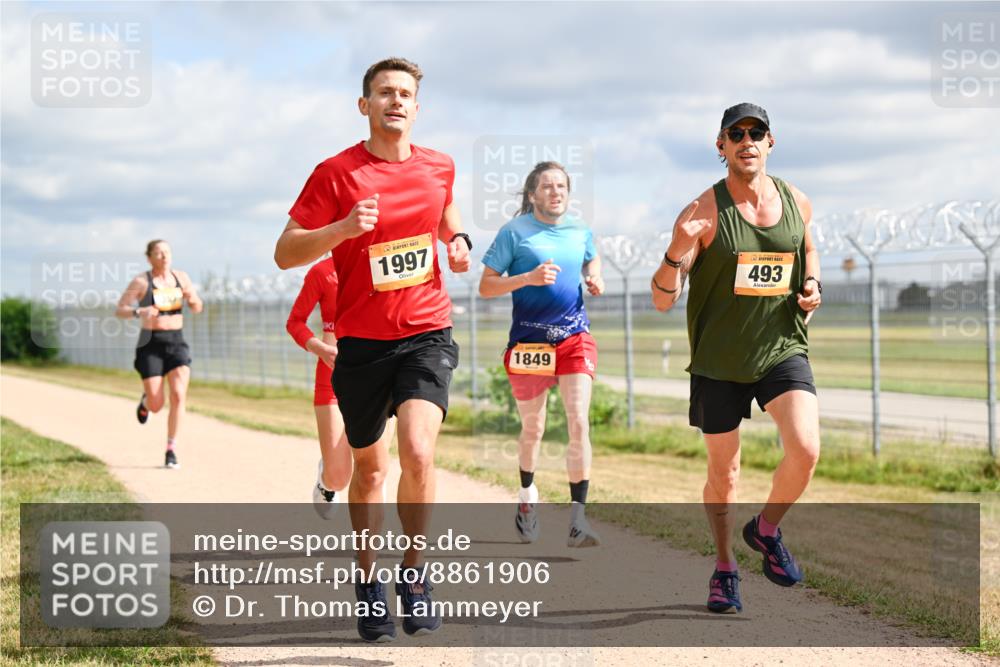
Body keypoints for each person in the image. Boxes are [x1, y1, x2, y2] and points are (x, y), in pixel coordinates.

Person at [274, 57, 470, 642]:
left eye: (405, 93)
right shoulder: (336, 173)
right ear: (365, 106)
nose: (396, 101)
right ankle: (367, 580)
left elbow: (445, 211)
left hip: (427, 332)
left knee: (418, 452)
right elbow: (284, 252)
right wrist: (340, 230)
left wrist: (458, 239)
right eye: (385, 92)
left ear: (417, 107)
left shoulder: (439, 165)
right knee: (370, 471)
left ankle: (414, 575)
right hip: (361, 344)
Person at [650, 103, 821, 614]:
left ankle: (766, 529)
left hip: (781, 348)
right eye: (736, 133)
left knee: (806, 448)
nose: (747, 141)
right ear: (721, 146)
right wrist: (677, 248)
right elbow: (661, 299)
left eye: (756, 132)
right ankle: (725, 567)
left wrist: (812, 283)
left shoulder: (796, 200)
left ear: (770, 142)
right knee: (725, 474)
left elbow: (807, 249)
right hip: (718, 361)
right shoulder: (701, 212)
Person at [479, 161, 604, 548]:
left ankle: (578, 520)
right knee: (533, 428)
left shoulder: (580, 229)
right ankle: (526, 497)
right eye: (547, 186)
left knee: (578, 421)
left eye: (561, 186)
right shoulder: (514, 233)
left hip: (573, 337)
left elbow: (591, 256)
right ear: (532, 194)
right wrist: (528, 279)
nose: (555, 192)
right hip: (529, 344)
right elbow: (486, 286)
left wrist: (594, 275)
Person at [116, 239, 203, 469]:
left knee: (178, 395)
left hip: (177, 342)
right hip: (151, 344)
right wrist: (140, 311)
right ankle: (146, 402)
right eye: (158, 253)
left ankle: (171, 449)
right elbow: (120, 309)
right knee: (157, 404)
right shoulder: (141, 281)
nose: (164, 256)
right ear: (149, 258)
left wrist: (194, 301)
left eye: (167, 252)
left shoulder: (181, 278)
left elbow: (197, 306)